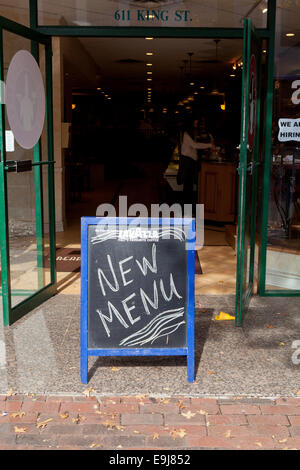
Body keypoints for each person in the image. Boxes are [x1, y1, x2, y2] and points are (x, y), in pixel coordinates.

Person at [177, 117, 214, 205]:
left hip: (189, 161)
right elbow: (194, 145)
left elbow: (195, 144)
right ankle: (186, 209)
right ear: (190, 124)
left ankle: (187, 208)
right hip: (188, 162)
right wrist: (209, 145)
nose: (196, 126)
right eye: (195, 124)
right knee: (188, 186)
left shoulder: (189, 133)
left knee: (188, 186)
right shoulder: (186, 134)